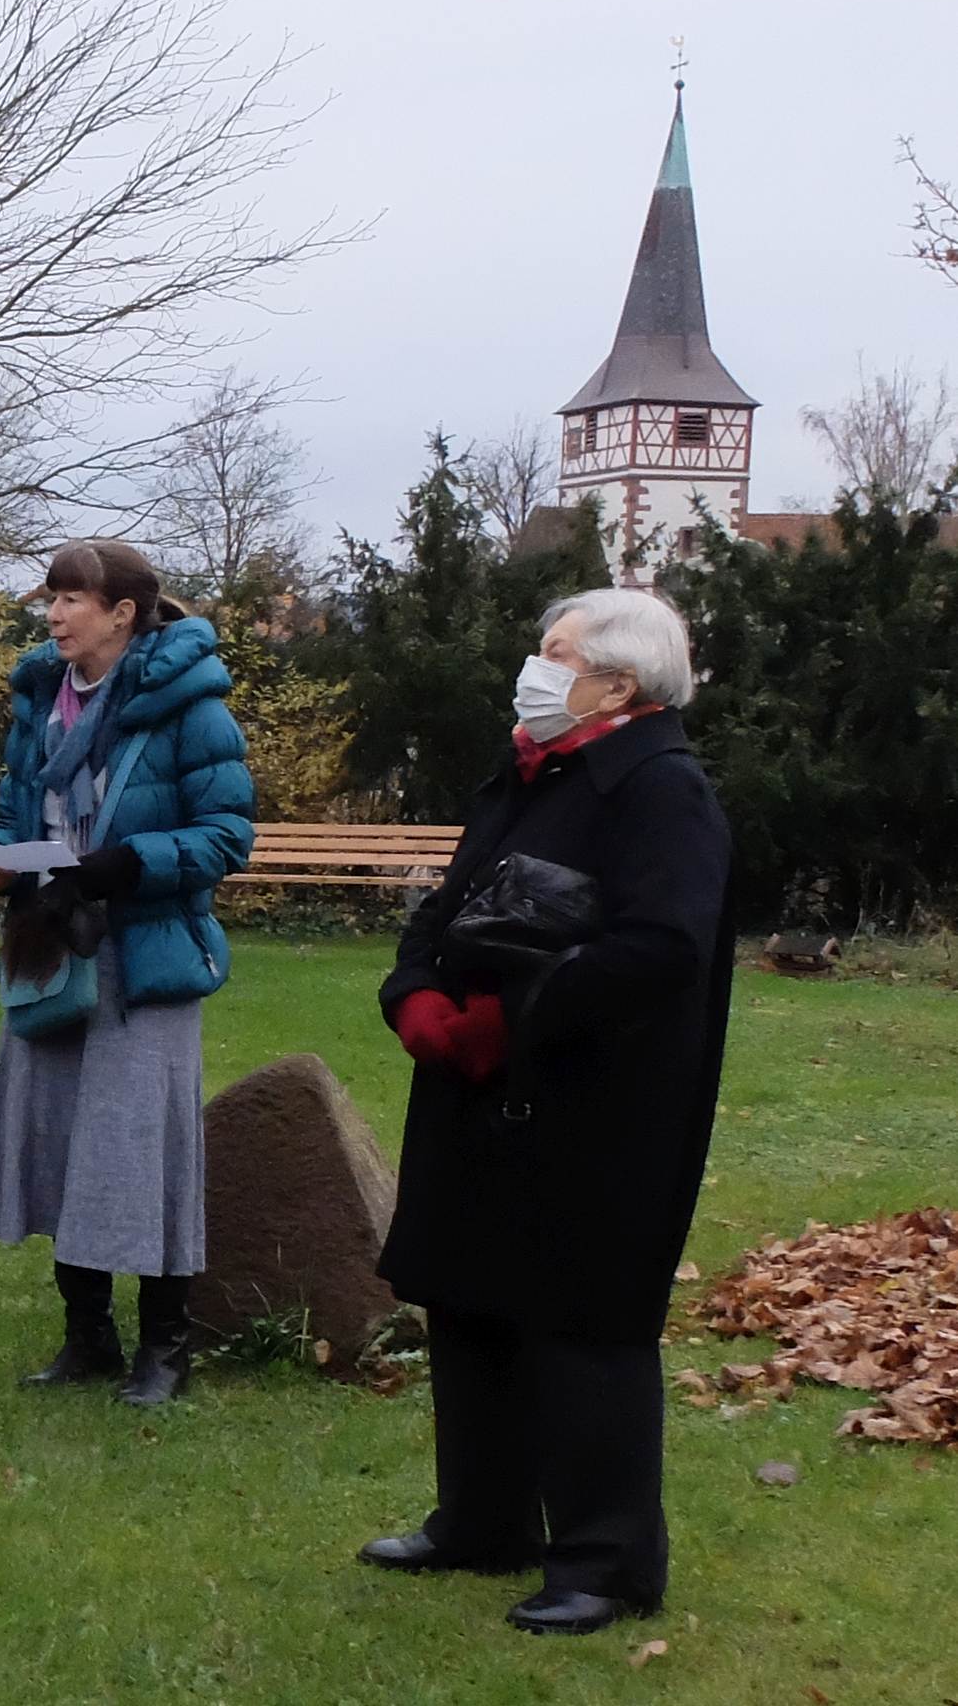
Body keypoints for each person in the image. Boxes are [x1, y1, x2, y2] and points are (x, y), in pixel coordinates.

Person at [357, 588, 734, 1637]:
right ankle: (482, 1519)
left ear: (618, 681)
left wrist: (512, 1020)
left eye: (554, 651)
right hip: (482, 1094)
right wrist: (417, 993)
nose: (533, 665)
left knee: (585, 1323)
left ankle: (605, 1560)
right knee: (470, 1300)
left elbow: (662, 947)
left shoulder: (661, 789)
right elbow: (445, 907)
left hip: (597, 1103)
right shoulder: (531, 767)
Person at [0, 540, 253, 1406]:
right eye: (49, 599)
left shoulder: (190, 704)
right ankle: (86, 1337)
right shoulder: (38, 701)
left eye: (71, 600)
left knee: (140, 1148)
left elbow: (227, 835)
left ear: (122, 613)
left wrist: (128, 863)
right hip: (53, 939)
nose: (52, 615)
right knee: (56, 1140)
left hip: (144, 950)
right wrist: (1, 861)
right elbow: (17, 809)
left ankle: (166, 1348)